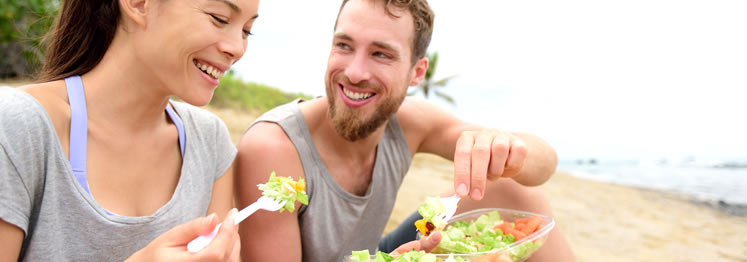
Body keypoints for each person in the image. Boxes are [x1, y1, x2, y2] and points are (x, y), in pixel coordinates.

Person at [235, 0, 576, 261]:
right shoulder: (273, 148)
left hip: (375, 251)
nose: (354, 72)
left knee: (514, 189)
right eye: (344, 46)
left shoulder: (409, 123)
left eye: (380, 54)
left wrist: (507, 148)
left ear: (417, 73)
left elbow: (543, 163)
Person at [0, 0, 259, 260]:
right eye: (219, 18)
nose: (237, 48)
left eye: (246, 31)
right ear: (138, 4)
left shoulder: (210, 141)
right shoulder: (16, 126)